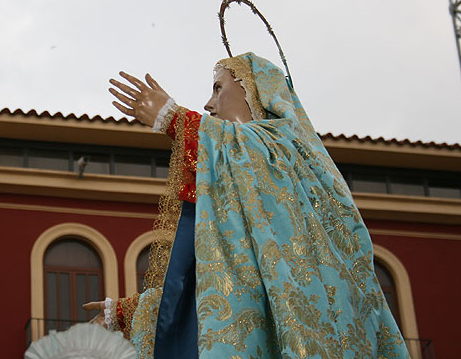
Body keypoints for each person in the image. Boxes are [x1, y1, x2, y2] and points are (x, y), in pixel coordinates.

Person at [84, 51, 410, 358]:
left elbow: (251, 154)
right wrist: (130, 312)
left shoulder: (287, 154)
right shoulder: (234, 192)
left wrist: (174, 118)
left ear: (255, 93)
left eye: (218, 88)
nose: (208, 104)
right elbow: (221, 289)